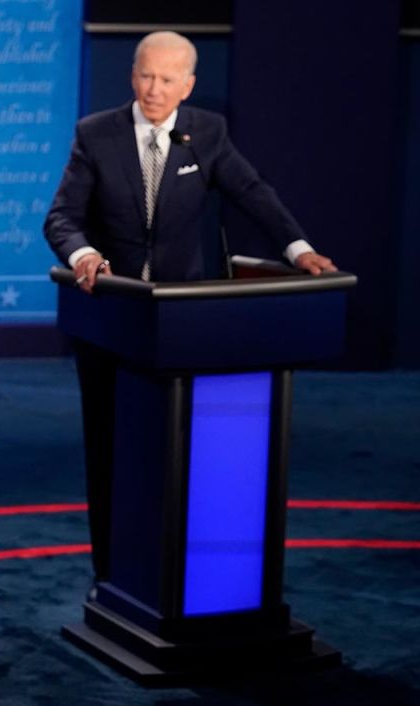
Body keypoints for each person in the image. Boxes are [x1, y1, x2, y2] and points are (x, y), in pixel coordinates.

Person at [42, 31, 337, 580]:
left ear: (188, 84)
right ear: (132, 76)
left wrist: (299, 250)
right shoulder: (95, 134)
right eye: (146, 76)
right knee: (112, 452)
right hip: (114, 320)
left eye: (167, 80)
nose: (154, 90)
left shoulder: (206, 132)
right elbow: (61, 218)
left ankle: (180, 574)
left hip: (187, 323)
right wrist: (83, 254)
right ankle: (112, 576)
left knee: (184, 457)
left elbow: (253, 193)